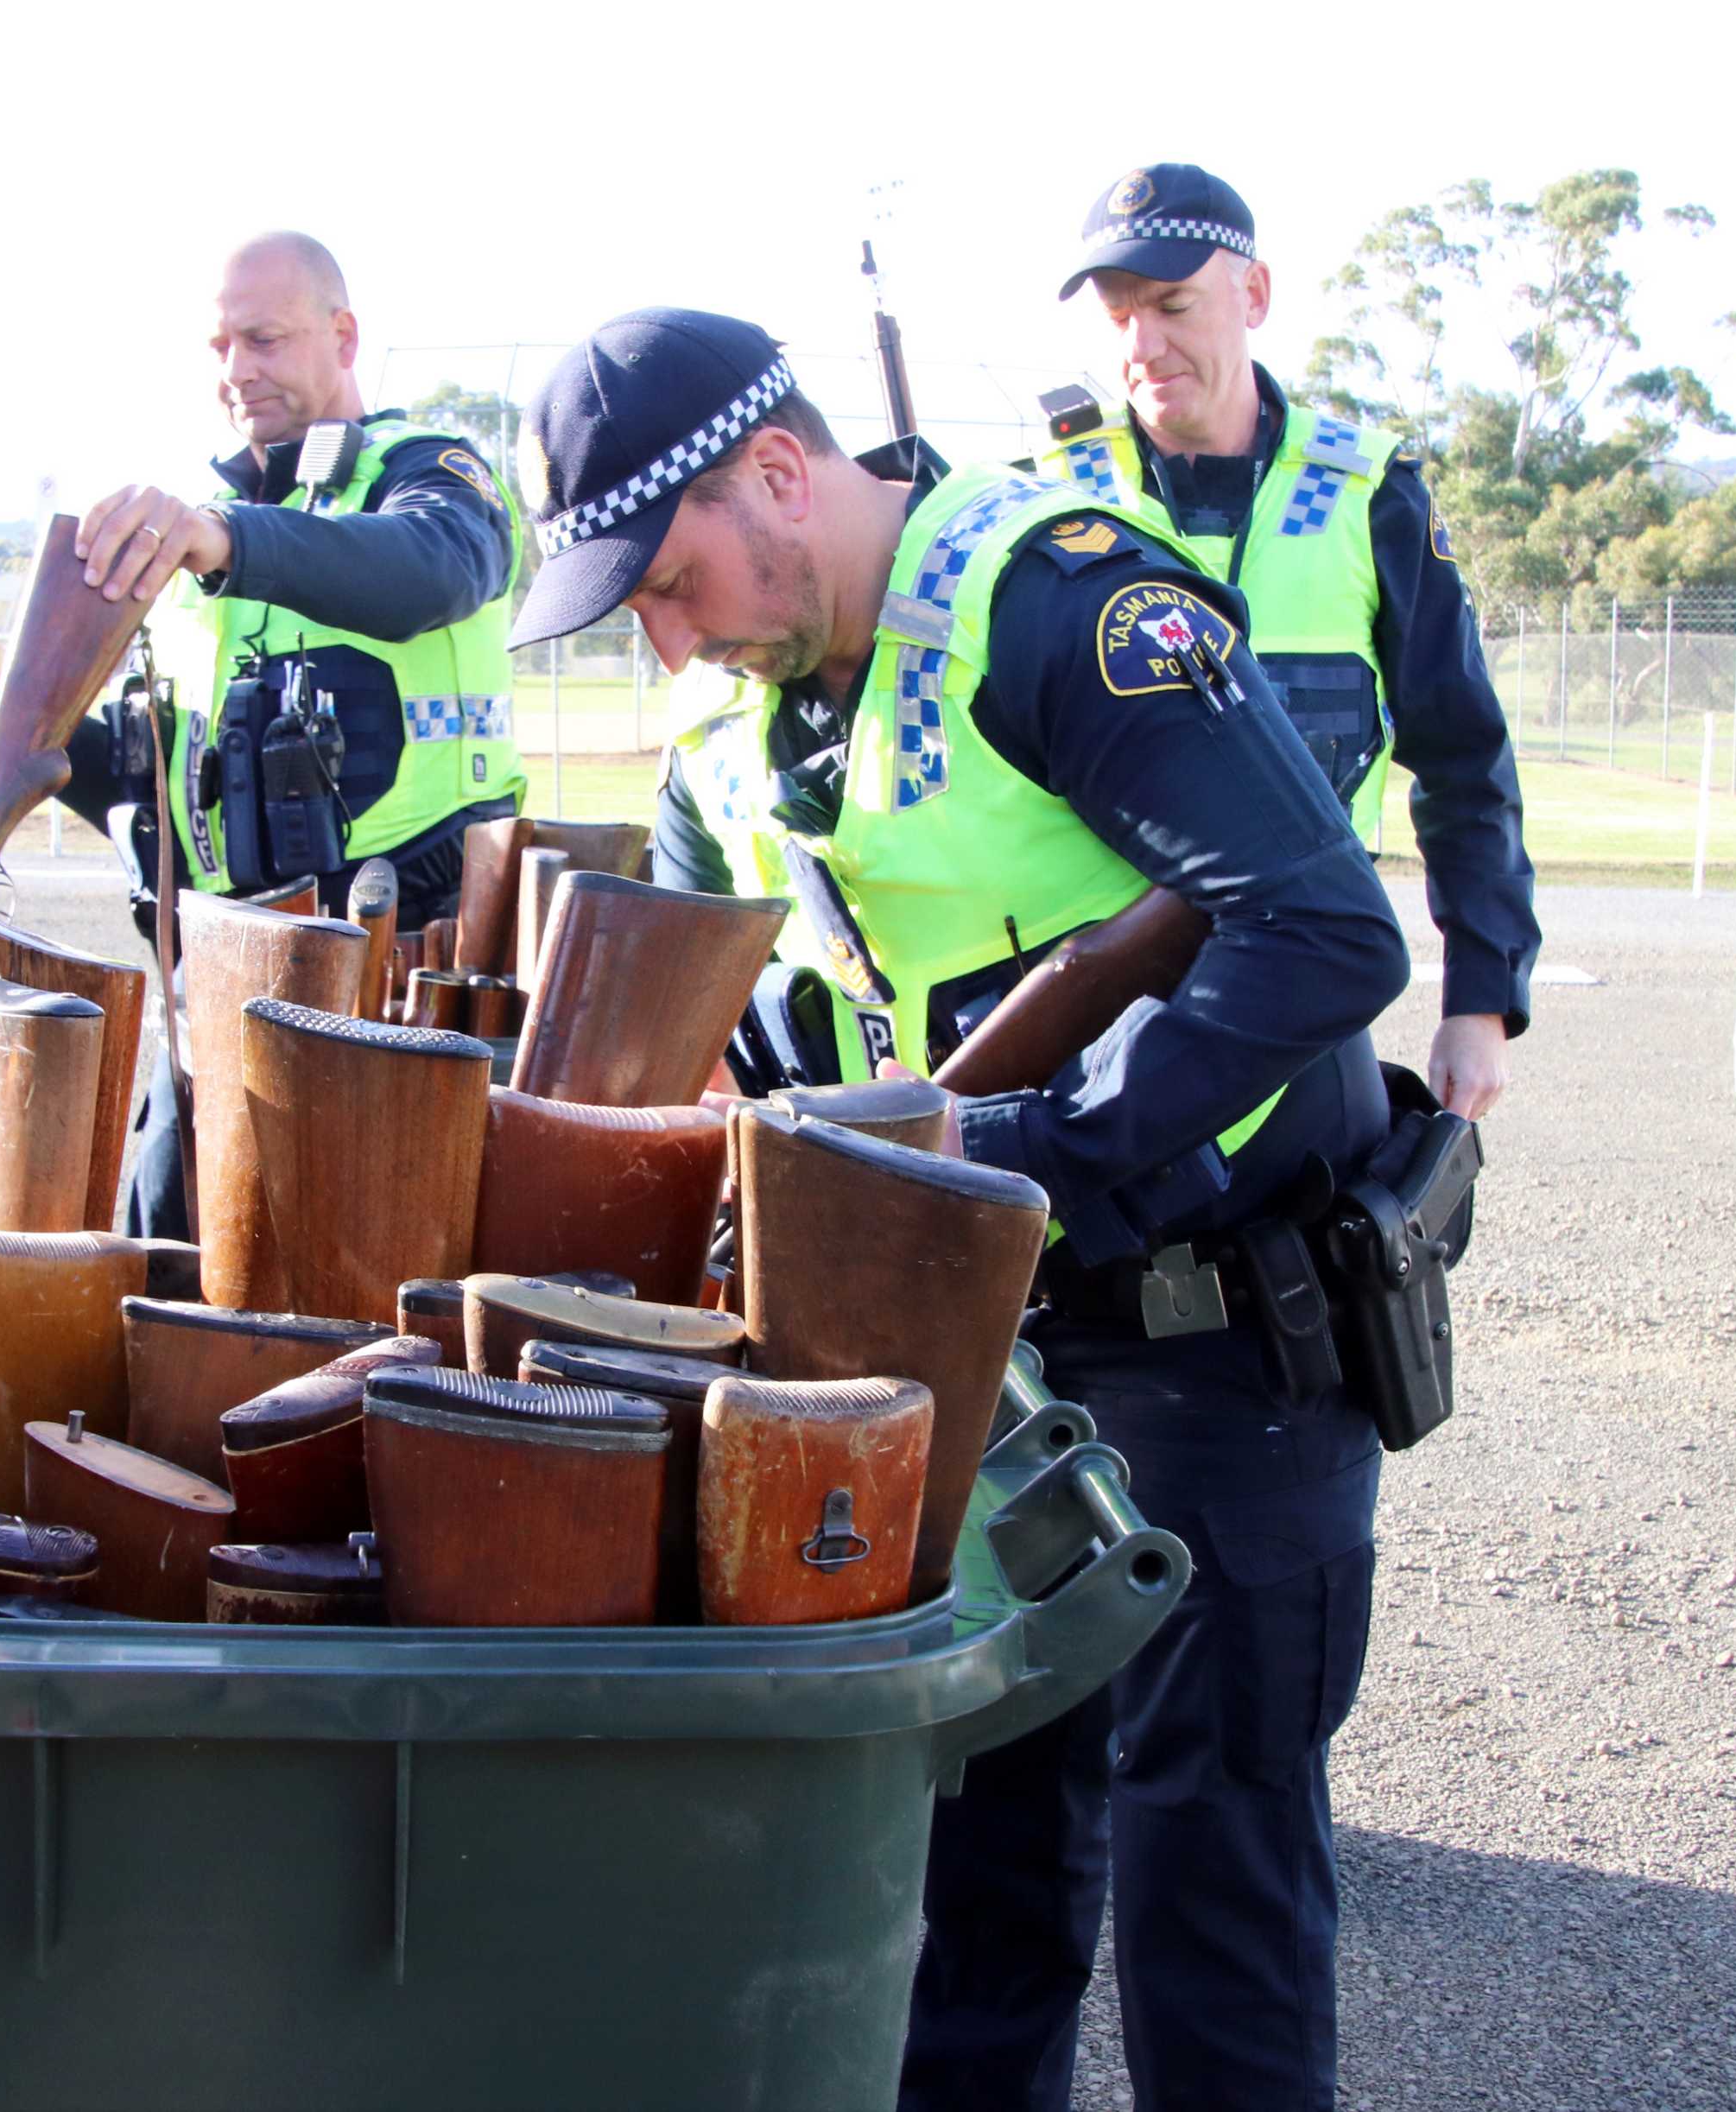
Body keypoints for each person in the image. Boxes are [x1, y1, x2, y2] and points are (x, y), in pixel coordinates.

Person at [506, 307, 1419, 2112]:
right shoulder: (728, 731)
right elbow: (735, 1044)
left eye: (673, 578)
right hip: (964, 1375)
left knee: (1211, 1912)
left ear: (780, 470)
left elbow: (1325, 931)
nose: (667, 633)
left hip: (1214, 1340)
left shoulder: (1057, 600)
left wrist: (1021, 1154)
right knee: (964, 1911)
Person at [0, 230, 525, 1236]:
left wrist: (225, 539)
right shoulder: (202, 529)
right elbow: (146, 787)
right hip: (216, 986)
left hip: (403, 982)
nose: (238, 371)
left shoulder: (434, 476)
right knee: (161, 1271)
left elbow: (432, 569)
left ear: (344, 334)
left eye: (266, 340)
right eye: (221, 345)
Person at [1043, 162, 1540, 1119]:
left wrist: (1480, 999)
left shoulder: (1368, 494)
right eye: (1119, 316)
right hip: (1090, 1014)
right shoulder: (1042, 496)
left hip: (1298, 1001)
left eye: (1175, 304)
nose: (1145, 343)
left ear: (1254, 293)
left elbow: (1464, 759)